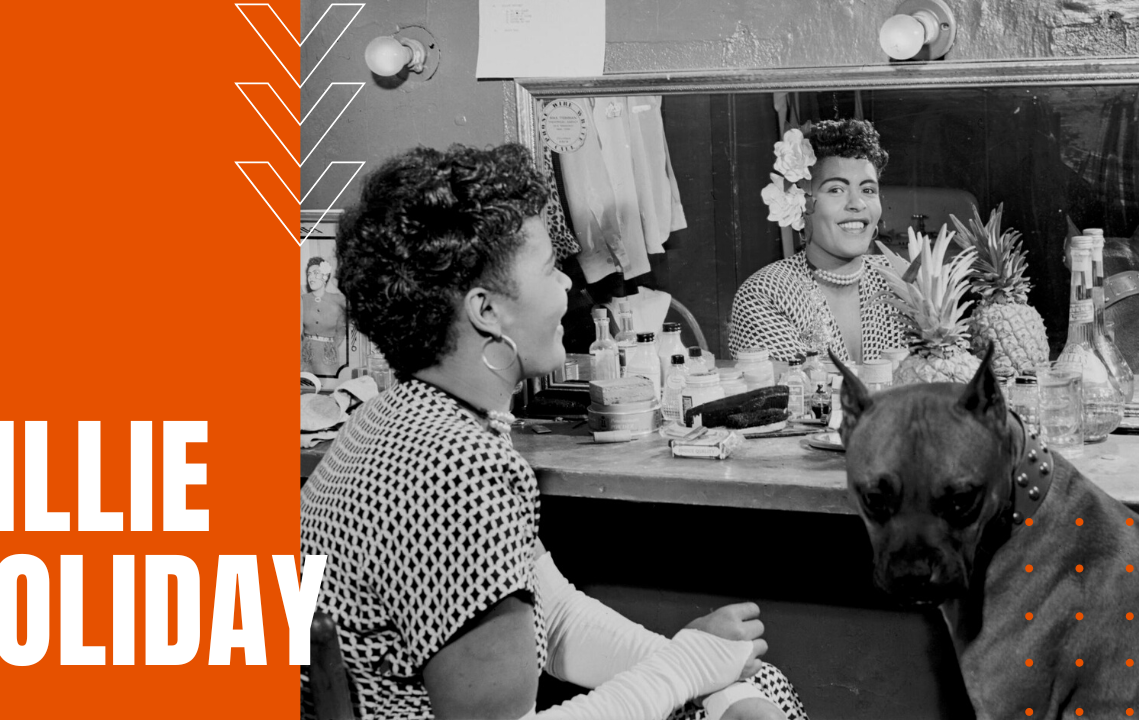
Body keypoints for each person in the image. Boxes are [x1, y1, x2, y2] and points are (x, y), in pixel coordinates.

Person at [300, 143, 807, 719]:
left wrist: (708, 679)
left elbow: (555, 613)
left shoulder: (399, 417)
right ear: (486, 311)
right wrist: (687, 665)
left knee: (752, 693)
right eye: (546, 267)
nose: (568, 284)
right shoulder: (454, 470)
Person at [729, 119, 908, 363]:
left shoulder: (901, 282)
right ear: (800, 202)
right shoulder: (766, 293)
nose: (858, 203)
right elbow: (789, 395)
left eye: (868, 190)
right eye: (836, 189)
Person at [302, 255, 348, 377]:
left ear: (325, 276)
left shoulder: (337, 300)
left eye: (316, 273)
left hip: (328, 357)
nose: (311, 277)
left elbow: (342, 328)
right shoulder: (302, 299)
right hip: (305, 355)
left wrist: (331, 346)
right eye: (309, 274)